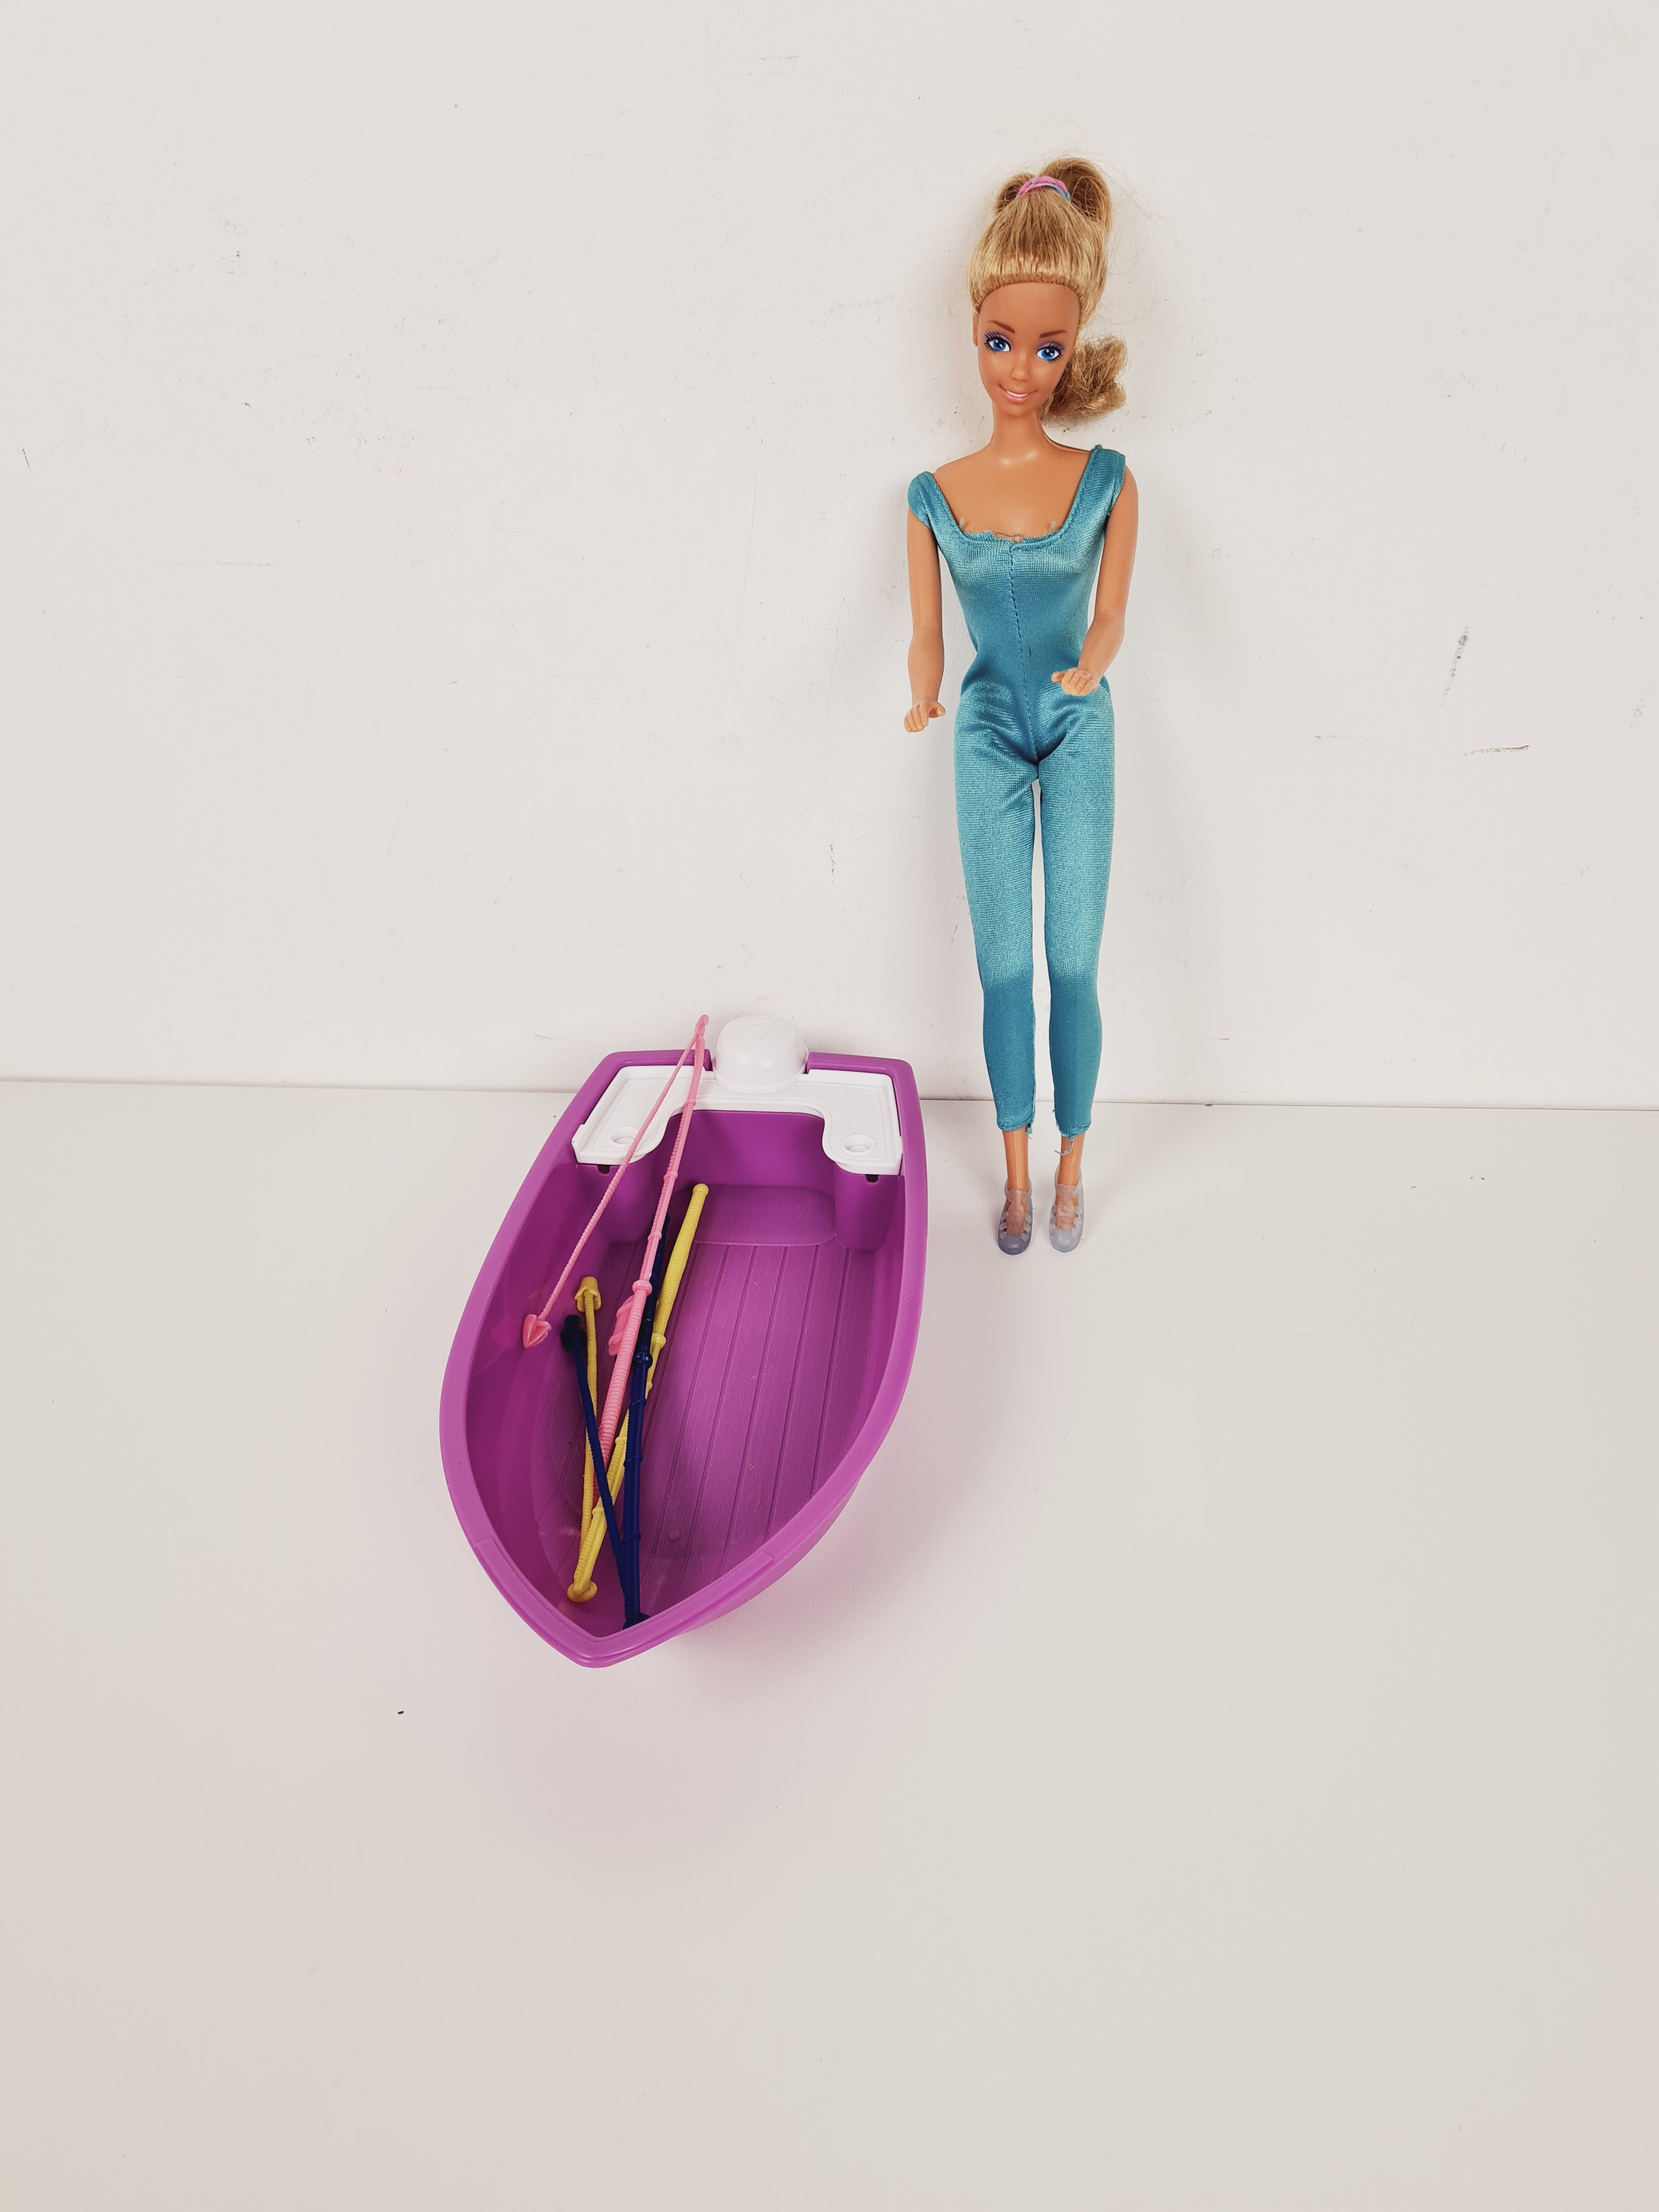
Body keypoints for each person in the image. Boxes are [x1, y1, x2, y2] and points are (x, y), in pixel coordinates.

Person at [905, 159, 1138, 1254]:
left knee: (1073, 960)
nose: (1021, 369)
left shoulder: (1108, 481)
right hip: (987, 728)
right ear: (974, 332)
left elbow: (1112, 617)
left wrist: (1091, 668)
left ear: (1076, 343)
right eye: (1003, 341)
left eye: (1048, 348)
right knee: (1003, 965)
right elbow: (928, 634)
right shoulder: (933, 496)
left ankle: (1072, 1165)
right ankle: (1013, 1173)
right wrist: (922, 692)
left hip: (1079, 720)